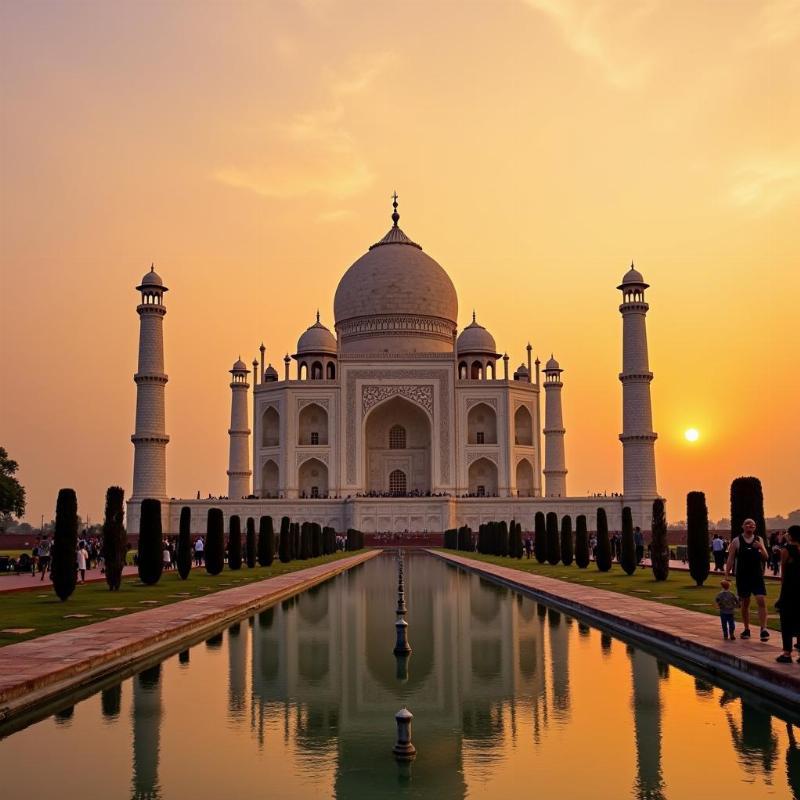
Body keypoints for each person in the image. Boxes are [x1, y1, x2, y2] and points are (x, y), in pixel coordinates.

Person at [725, 518, 770, 641]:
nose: (750, 525)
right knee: (745, 603)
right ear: (743, 526)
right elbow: (730, 558)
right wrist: (727, 574)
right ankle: (746, 629)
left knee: (761, 600)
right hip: (743, 576)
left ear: (755, 527)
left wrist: (761, 547)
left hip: (756, 576)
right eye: (747, 524)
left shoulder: (758, 539)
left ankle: (764, 629)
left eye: (752, 524)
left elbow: (766, 557)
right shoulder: (736, 541)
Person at [775, 525, 800, 663]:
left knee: (787, 621)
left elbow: (783, 572)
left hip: (790, 590)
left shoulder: (786, 550)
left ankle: (787, 653)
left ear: (790, 535)